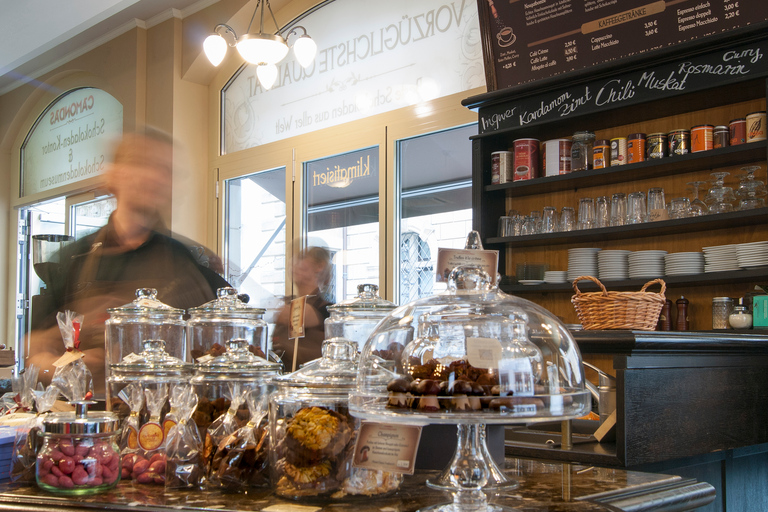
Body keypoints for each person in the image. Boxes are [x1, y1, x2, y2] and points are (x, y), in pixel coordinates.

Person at [27, 127, 230, 396]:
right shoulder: (73, 259)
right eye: (143, 164)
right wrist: (73, 366)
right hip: (93, 427)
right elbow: (36, 353)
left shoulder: (189, 260)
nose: (155, 177)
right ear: (112, 175)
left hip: (165, 428)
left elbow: (220, 346)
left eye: (165, 169)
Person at [271, 246, 332, 370]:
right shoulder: (287, 302)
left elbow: (291, 315)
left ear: (319, 267)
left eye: (301, 259)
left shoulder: (324, 308)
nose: (294, 264)